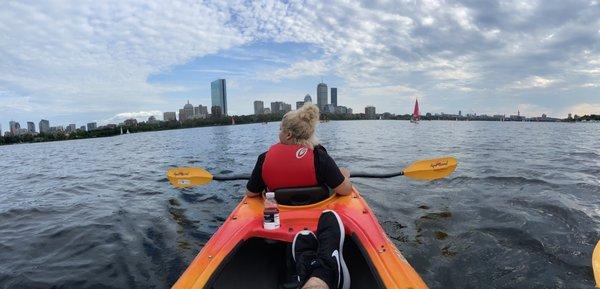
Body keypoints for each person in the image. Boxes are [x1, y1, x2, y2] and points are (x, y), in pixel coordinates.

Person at [245, 103, 351, 289]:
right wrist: (344, 175)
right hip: (318, 216)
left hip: (280, 217)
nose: (278, 133)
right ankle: (322, 271)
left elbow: (251, 193)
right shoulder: (319, 156)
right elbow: (344, 190)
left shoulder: (264, 158)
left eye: (280, 130)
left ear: (287, 135)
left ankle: (303, 263)